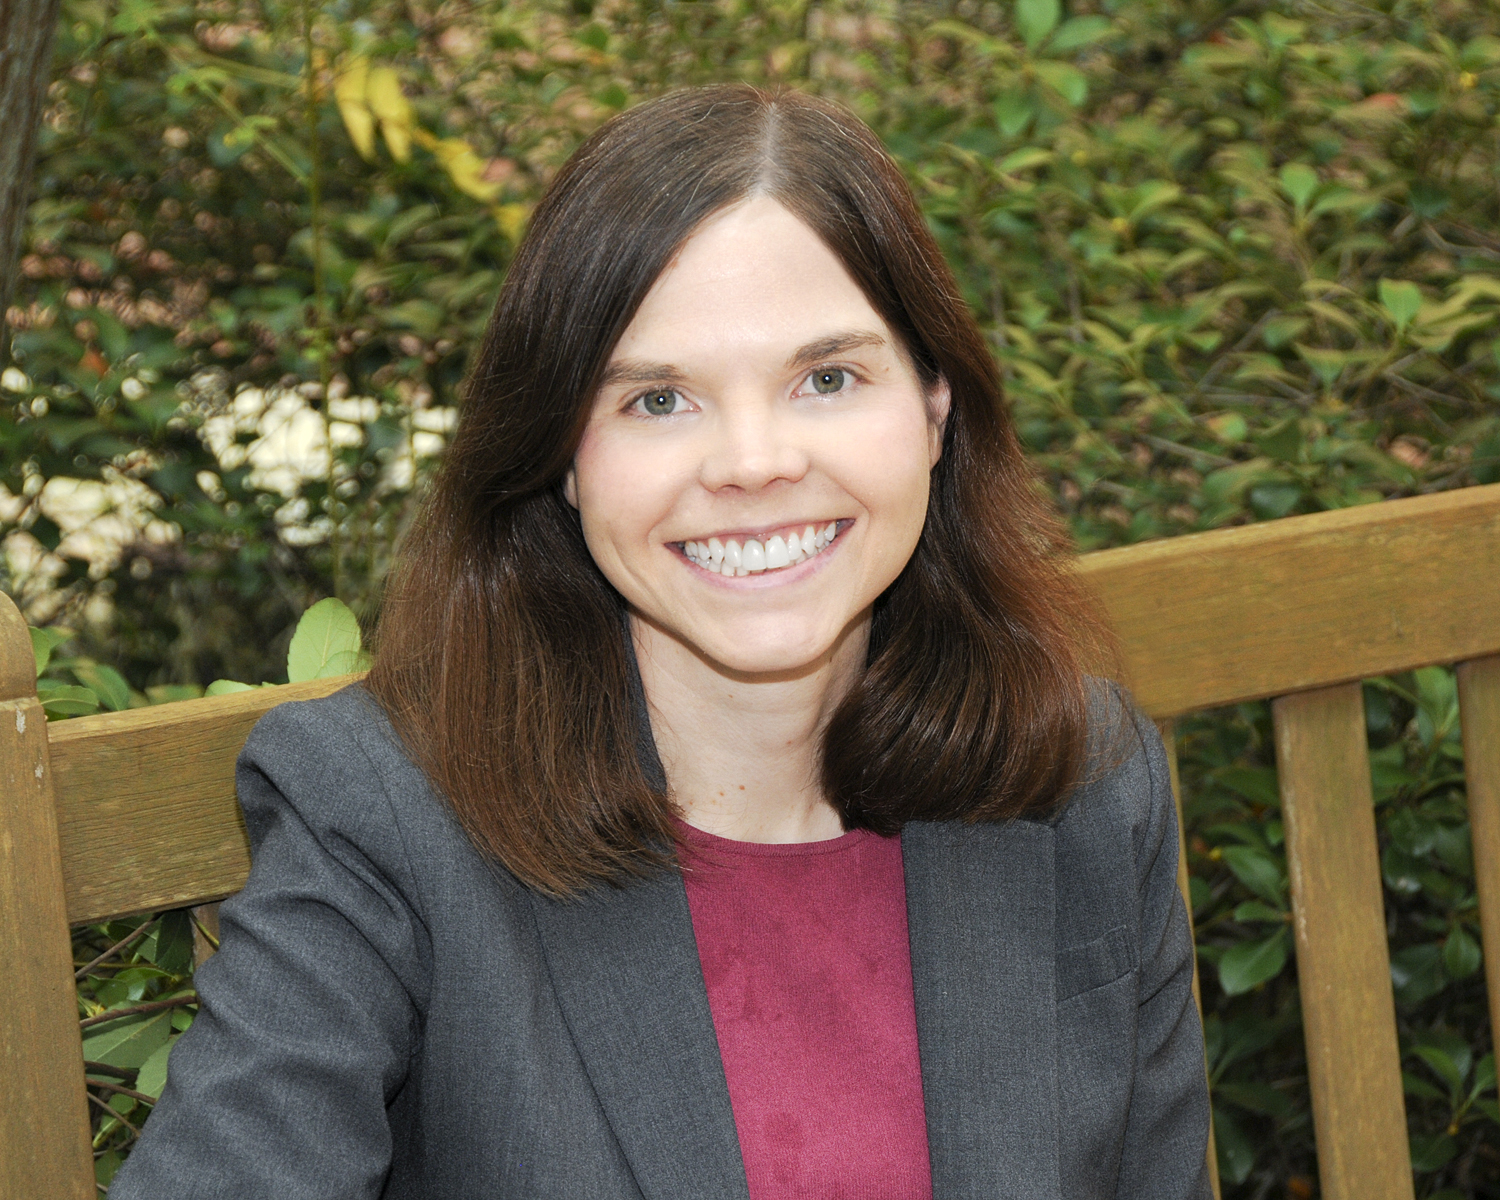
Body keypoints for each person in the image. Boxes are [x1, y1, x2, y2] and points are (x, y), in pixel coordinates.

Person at [109, 84, 1211, 1200]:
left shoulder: (1080, 776)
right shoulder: (385, 816)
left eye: (826, 378)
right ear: (564, 455)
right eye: (657, 401)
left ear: (933, 412)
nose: (751, 461)